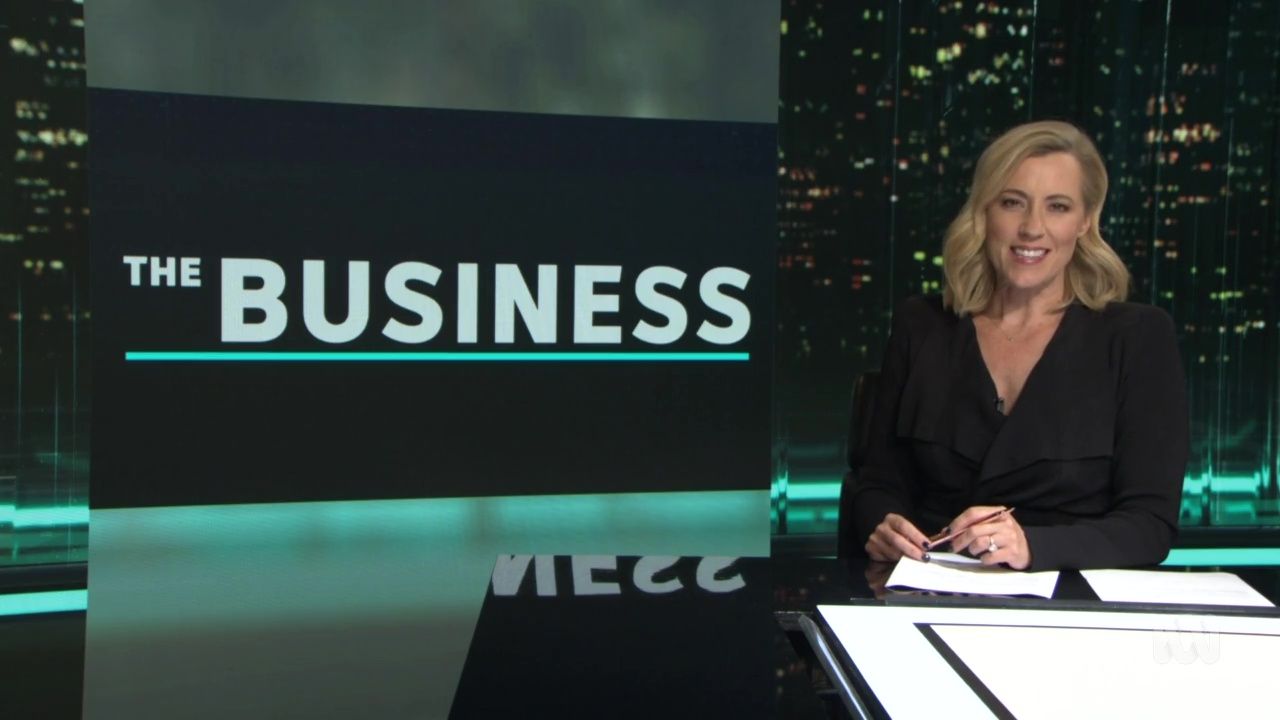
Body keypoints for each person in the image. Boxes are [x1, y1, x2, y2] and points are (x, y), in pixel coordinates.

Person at [846, 120, 1188, 571]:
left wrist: (1031, 547)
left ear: (1085, 220)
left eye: (1058, 207)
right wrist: (883, 523)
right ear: (984, 212)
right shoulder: (922, 325)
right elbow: (878, 482)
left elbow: (1149, 525)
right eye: (1012, 203)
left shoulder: (1137, 336)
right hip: (932, 584)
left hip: (1071, 594)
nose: (1032, 228)